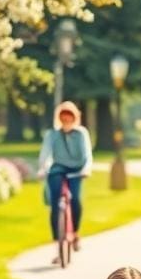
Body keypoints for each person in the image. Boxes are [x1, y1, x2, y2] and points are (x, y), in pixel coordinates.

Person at [38, 101, 93, 254]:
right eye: (63, 117)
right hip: (58, 169)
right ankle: (57, 245)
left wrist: (87, 169)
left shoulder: (81, 133)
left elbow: (87, 154)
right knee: (55, 204)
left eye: (69, 117)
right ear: (59, 118)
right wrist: (43, 168)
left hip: (77, 170)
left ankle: (75, 233)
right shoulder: (52, 134)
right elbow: (46, 153)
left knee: (75, 199)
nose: (66, 120)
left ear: (75, 118)